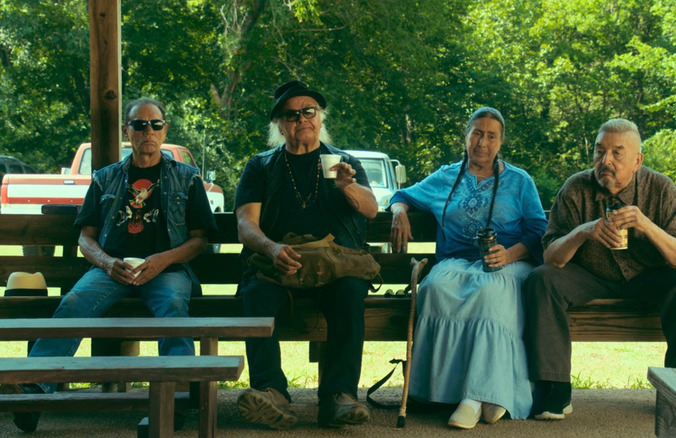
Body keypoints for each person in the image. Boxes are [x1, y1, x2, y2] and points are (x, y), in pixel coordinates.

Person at [0, 97, 218, 433]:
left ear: (164, 130)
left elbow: (200, 238)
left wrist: (163, 259)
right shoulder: (105, 178)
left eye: (155, 124)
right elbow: (85, 238)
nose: (148, 130)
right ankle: (33, 392)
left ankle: (173, 400)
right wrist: (106, 262)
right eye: (139, 124)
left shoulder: (187, 178)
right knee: (74, 302)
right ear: (126, 130)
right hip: (111, 270)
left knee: (174, 305)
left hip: (167, 270)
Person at [524, 118, 676, 421]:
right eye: (599, 152)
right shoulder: (575, 188)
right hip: (589, 278)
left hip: (648, 279)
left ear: (637, 160)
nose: (605, 161)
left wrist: (645, 224)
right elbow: (551, 257)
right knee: (542, 279)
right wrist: (582, 232)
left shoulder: (660, 188)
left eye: (617, 154)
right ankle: (553, 390)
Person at [389, 107, 547, 429]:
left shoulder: (519, 181)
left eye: (491, 135)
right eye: (476, 133)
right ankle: (446, 393)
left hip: (506, 263)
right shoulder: (446, 177)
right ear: (466, 137)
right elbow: (403, 194)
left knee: (490, 293)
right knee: (434, 289)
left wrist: (510, 254)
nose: (482, 142)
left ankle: (477, 397)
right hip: (455, 262)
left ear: (501, 141)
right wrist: (398, 211)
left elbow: (539, 231)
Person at [234, 80, 378, 430]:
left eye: (309, 111)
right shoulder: (262, 166)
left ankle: (339, 397)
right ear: (280, 124)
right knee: (256, 296)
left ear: (320, 116)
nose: (302, 119)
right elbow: (245, 224)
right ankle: (272, 393)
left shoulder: (341, 162)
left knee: (349, 294)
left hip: (337, 266)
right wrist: (272, 247)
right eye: (292, 114)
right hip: (278, 264)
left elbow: (371, 210)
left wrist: (348, 186)